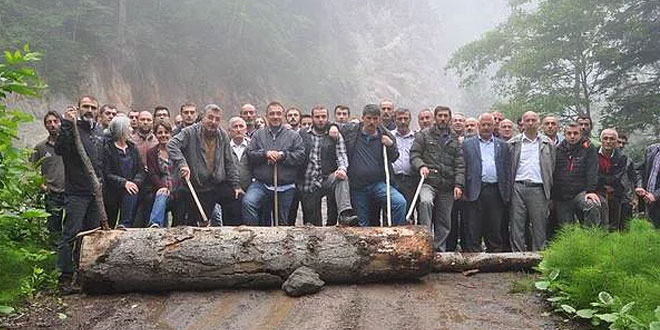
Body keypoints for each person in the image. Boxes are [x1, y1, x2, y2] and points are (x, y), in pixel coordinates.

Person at [54, 96, 104, 293]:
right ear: (78, 108)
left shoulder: (98, 132)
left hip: (95, 194)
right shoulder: (73, 129)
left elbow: (101, 162)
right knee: (71, 234)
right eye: (86, 107)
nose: (89, 110)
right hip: (76, 193)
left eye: (93, 107)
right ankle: (65, 278)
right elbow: (60, 149)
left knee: (91, 235)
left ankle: (86, 274)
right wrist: (67, 124)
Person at [168, 104, 243, 226]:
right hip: (194, 186)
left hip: (215, 184)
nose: (213, 122)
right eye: (210, 117)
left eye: (217, 119)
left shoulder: (222, 135)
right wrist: (183, 164)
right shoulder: (189, 132)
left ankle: (232, 236)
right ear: (202, 117)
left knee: (235, 198)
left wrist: (235, 185)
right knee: (191, 220)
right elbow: (171, 145)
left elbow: (229, 161)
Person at [341, 104, 406, 226]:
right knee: (362, 223)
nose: (372, 122)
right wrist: (333, 128)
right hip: (357, 186)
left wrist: (390, 145)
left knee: (399, 202)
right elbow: (336, 126)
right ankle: (363, 244)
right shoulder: (351, 132)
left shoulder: (386, 135)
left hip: (378, 184)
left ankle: (398, 235)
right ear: (363, 118)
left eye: (375, 119)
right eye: (369, 118)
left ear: (379, 119)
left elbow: (394, 157)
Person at [410, 105, 465, 251]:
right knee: (426, 203)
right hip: (428, 182)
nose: (442, 118)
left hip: (447, 185)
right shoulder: (423, 135)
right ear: (435, 118)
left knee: (444, 221)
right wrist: (421, 166)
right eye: (440, 115)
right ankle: (425, 243)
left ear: (449, 118)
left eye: (445, 116)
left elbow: (460, 164)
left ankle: (439, 250)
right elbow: (414, 155)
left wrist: (459, 185)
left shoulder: (455, 139)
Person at [243, 102, 305, 225]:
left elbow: (300, 156)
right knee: (248, 202)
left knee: (282, 221)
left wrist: (283, 156)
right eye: (272, 114)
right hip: (261, 184)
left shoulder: (293, 136)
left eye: (278, 113)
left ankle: (282, 242)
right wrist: (265, 154)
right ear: (266, 116)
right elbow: (250, 153)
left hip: (285, 185)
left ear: (283, 115)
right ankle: (253, 234)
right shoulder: (258, 135)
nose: (275, 116)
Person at [299, 105, 358, 226]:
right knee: (312, 223)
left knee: (342, 178)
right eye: (317, 117)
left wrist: (342, 169)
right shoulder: (303, 134)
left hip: (327, 178)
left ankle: (345, 214)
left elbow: (342, 155)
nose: (320, 119)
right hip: (308, 181)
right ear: (312, 118)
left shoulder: (335, 135)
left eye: (323, 116)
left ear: (328, 117)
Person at [461, 113, 512, 252]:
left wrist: (507, 193)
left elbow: (507, 170)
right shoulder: (467, 145)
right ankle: (474, 257)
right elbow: (462, 168)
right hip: (474, 190)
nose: (486, 127)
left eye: (489, 124)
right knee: (473, 226)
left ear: (494, 126)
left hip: (495, 190)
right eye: (483, 124)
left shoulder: (502, 145)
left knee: (494, 226)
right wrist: (463, 189)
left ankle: (495, 256)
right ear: (478, 126)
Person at [508, 111, 556, 252]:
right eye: (527, 120)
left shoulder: (548, 144)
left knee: (539, 225)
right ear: (522, 123)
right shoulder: (513, 143)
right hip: (517, 187)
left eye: (533, 120)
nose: (530, 123)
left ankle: (538, 258)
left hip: (539, 188)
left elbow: (552, 166)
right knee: (517, 225)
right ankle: (517, 258)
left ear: (538, 122)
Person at [553, 121, 602, 227]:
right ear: (564, 134)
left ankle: (591, 238)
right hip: (562, 195)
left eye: (575, 133)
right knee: (566, 229)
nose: (572, 136)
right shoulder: (557, 150)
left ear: (580, 134)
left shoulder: (588, 148)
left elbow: (592, 171)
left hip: (581, 192)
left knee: (592, 206)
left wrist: (591, 191)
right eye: (569, 133)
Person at [103, 117, 145, 229]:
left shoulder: (132, 148)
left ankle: (124, 225)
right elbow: (106, 173)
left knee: (132, 193)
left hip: (130, 191)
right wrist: (124, 183)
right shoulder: (107, 148)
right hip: (113, 191)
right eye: (129, 127)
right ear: (122, 130)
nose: (131, 130)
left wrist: (135, 182)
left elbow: (141, 170)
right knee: (109, 222)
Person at [32, 111, 66, 235]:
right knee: (54, 225)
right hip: (52, 192)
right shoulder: (40, 147)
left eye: (55, 121)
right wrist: (41, 185)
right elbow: (31, 168)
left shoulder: (69, 144)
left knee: (71, 225)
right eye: (49, 122)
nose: (52, 125)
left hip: (71, 191)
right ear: (45, 125)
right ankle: (53, 251)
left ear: (61, 123)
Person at [597, 129, 636, 231]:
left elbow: (617, 177)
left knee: (615, 225)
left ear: (615, 141)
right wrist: (603, 185)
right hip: (597, 193)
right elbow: (591, 174)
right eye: (605, 138)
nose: (608, 141)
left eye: (612, 139)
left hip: (616, 194)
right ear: (600, 140)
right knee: (598, 225)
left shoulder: (622, 157)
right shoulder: (593, 154)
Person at [146, 121, 177, 228]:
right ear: (155, 134)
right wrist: (162, 187)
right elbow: (153, 174)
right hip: (161, 189)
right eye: (160, 133)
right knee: (162, 194)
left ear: (171, 133)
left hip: (178, 189)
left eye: (166, 132)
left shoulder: (177, 151)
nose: (163, 135)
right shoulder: (151, 153)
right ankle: (155, 225)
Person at [390, 108, 417, 220]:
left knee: (408, 212)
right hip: (392, 179)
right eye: (399, 119)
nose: (403, 121)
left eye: (405, 118)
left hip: (410, 180)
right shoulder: (389, 135)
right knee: (391, 210)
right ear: (395, 120)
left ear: (410, 119)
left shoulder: (417, 137)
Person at [635, 142, 660, 228]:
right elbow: (638, 169)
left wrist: (656, 195)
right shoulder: (651, 149)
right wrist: (639, 185)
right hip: (647, 200)